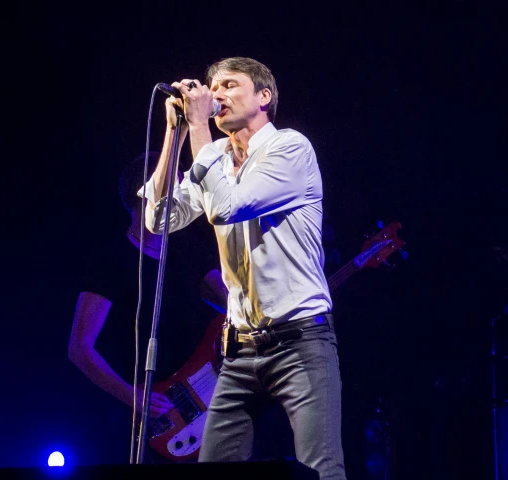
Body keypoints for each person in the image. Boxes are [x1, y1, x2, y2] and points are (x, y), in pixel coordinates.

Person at [139, 57, 346, 478]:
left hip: (300, 340)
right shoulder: (212, 153)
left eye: (230, 85)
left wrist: (197, 129)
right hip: (238, 352)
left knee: (320, 470)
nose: (215, 94)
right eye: (211, 86)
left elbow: (227, 207)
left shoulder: (290, 148)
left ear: (264, 97)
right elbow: (158, 220)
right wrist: (175, 133)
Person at [68, 152, 226, 464]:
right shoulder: (112, 261)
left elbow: (234, 305)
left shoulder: (187, 247)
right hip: (152, 417)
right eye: (176, 187)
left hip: (208, 399)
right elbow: (79, 348)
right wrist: (131, 395)